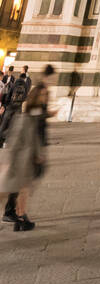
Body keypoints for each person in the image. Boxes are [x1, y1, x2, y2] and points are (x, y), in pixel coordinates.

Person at [1, 81, 51, 231]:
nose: (45, 98)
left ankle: (21, 218)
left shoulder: (35, 115)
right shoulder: (25, 117)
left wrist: (39, 155)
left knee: (22, 190)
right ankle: (19, 217)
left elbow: (36, 137)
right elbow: (15, 141)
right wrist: (9, 162)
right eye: (43, 95)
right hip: (20, 161)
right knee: (8, 191)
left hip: (28, 160)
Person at [0, 65, 32, 148]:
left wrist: (5, 105)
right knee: (16, 123)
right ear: (24, 78)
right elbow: (25, 96)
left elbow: (8, 95)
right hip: (18, 107)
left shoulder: (14, 84)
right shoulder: (25, 85)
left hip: (10, 106)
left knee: (4, 122)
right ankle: (15, 141)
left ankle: (1, 140)